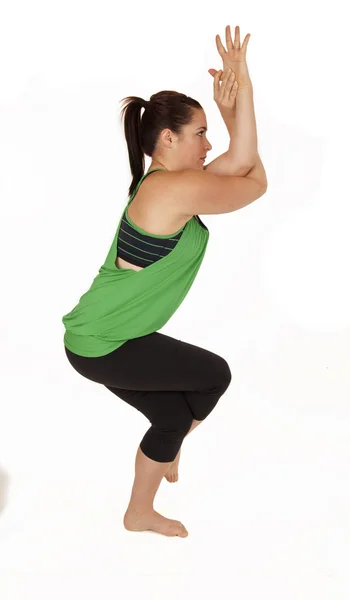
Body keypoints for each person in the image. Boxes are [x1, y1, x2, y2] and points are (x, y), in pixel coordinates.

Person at [61, 25, 268, 538]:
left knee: (172, 418)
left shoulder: (166, 186)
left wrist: (234, 107)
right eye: (200, 133)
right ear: (168, 137)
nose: (208, 143)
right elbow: (253, 179)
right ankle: (168, 452)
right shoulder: (169, 192)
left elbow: (242, 167)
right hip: (104, 342)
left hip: (102, 337)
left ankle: (140, 510)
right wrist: (239, 99)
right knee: (213, 374)